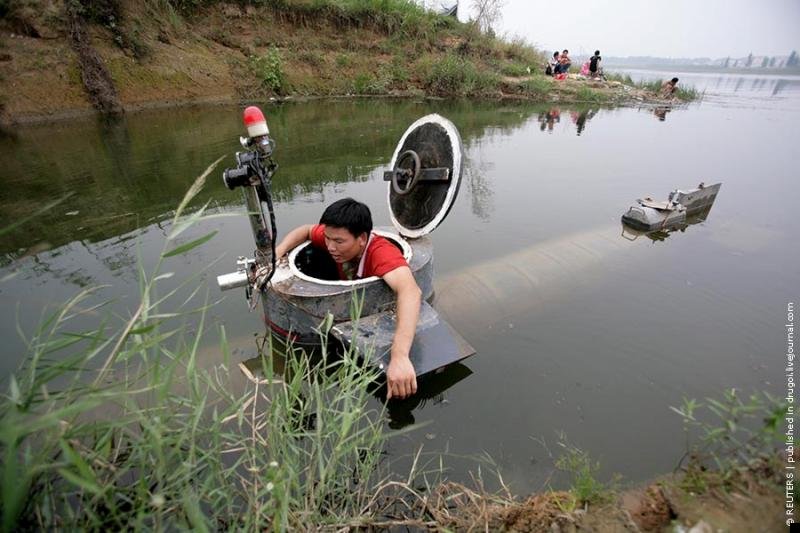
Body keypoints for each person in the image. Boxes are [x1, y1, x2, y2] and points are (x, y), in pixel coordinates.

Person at [274, 198, 421, 400]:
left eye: (339, 242)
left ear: (361, 238)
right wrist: (279, 251)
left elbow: (410, 292)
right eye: (327, 238)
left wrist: (400, 356)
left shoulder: (381, 253)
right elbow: (306, 231)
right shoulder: (334, 238)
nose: (331, 247)